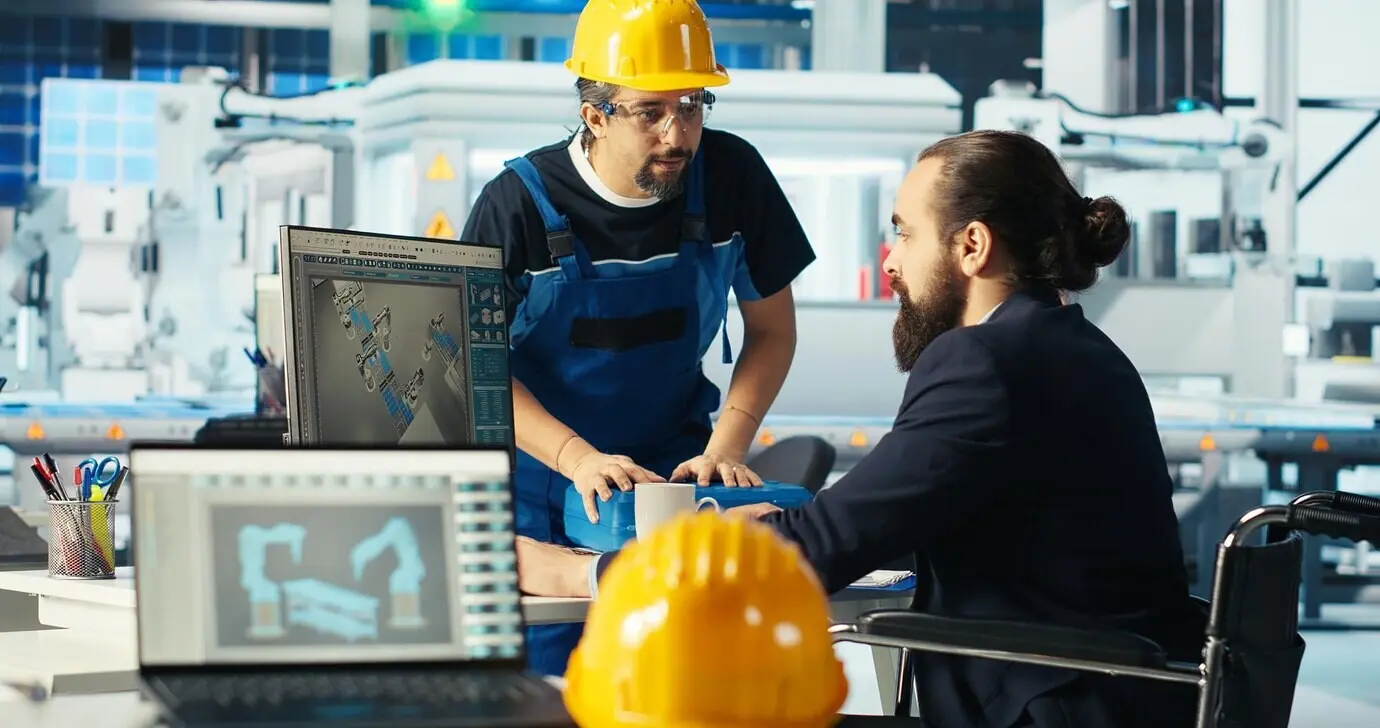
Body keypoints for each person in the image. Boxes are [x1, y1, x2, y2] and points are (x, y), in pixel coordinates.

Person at [513, 130, 1207, 727]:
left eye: (904, 232)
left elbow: (821, 548)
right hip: (1105, 696)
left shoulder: (989, 363)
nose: (891, 262)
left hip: (1053, 703)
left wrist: (580, 569)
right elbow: (898, 521)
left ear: (972, 246)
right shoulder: (1066, 347)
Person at [461, 0, 814, 676]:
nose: (676, 133)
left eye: (691, 104)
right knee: (549, 693)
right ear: (594, 114)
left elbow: (771, 330)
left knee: (683, 679)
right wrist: (576, 457)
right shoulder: (516, 205)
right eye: (649, 111)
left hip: (679, 477)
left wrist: (725, 449)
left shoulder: (732, 176)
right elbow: (475, 371)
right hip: (543, 488)